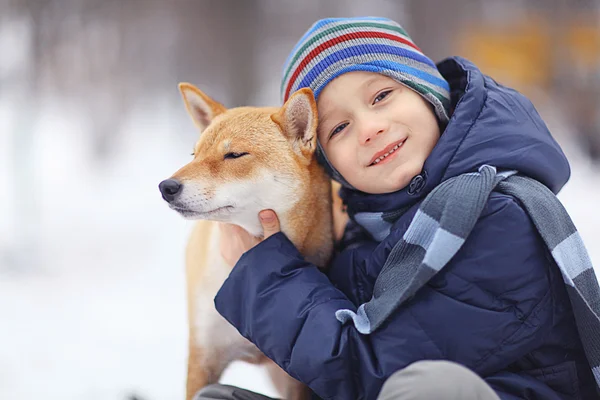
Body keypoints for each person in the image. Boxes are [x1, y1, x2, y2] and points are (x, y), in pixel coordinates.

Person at [195, 17, 600, 400]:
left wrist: (267, 279)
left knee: (433, 386)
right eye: (339, 128)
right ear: (326, 161)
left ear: (428, 93)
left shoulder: (498, 218)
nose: (370, 128)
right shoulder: (366, 227)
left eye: (382, 96)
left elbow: (370, 372)